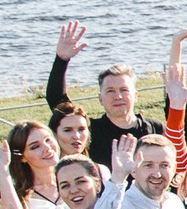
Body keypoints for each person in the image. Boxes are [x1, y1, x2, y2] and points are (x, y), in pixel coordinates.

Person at [44, 19, 160, 164]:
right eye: (110, 91)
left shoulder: (155, 128)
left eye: (124, 90)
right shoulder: (90, 130)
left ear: (135, 96)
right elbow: (58, 101)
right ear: (100, 99)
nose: (118, 96)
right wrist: (61, 60)